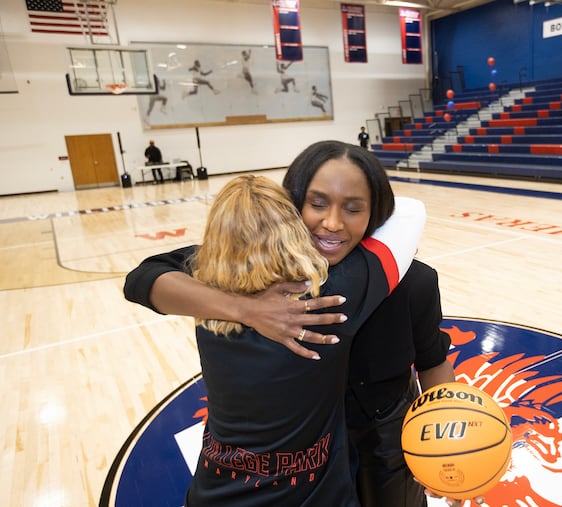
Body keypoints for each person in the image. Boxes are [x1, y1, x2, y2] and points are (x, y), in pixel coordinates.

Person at [123, 140, 461, 506]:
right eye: (316, 204)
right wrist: (244, 307)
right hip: (322, 475)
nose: (332, 222)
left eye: (353, 208)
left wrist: (450, 448)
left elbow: (432, 361)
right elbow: (145, 277)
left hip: (384, 450)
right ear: (290, 208)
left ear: (373, 213)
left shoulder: (412, 281)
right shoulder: (246, 273)